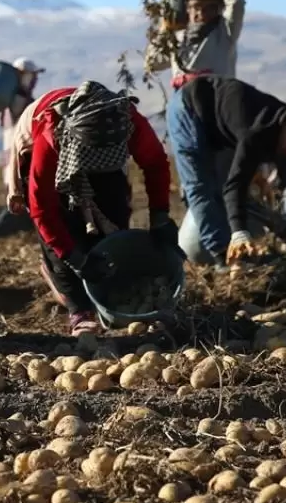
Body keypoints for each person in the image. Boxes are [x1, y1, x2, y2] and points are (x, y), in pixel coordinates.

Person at [26, 81, 177, 335]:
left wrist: (160, 216)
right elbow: (43, 210)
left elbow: (155, 166)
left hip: (104, 158)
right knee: (65, 228)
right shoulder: (50, 137)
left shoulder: (128, 122)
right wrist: (75, 259)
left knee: (114, 213)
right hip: (54, 152)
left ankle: (109, 298)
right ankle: (78, 307)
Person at [166, 75, 286, 267]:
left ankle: (272, 241)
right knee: (201, 188)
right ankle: (223, 257)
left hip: (220, 130)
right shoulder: (255, 133)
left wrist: (285, 231)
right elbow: (234, 186)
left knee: (236, 191)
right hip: (188, 108)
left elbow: (264, 179)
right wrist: (239, 234)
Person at [148, 0, 246, 90]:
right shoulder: (178, 37)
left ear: (219, 8)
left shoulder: (224, 33)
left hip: (216, 100)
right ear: (188, 8)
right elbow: (153, 63)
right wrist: (165, 28)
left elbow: (236, 1)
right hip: (184, 101)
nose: (201, 13)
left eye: (209, 8)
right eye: (196, 8)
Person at [0, 57, 45, 241]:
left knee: (28, 202)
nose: (34, 80)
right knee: (20, 201)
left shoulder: (8, 104)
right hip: (20, 161)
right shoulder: (21, 101)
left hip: (12, 159)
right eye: (32, 76)